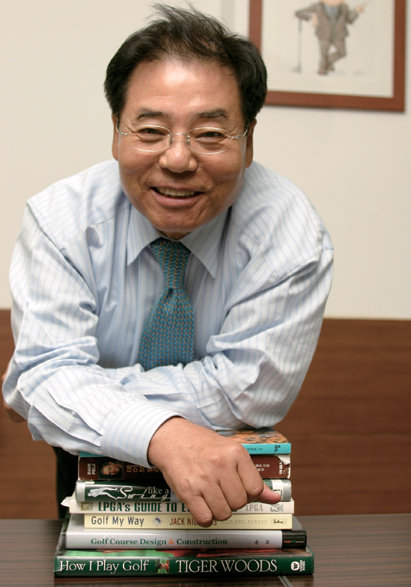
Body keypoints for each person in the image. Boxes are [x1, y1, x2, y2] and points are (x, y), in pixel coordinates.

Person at [2, 5, 333, 524]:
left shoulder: (289, 231)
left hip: (230, 479)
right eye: (152, 130)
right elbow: (45, 380)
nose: (178, 159)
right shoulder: (60, 221)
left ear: (248, 140)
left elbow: (248, 395)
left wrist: (72, 389)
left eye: (210, 134)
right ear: (116, 131)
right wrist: (162, 434)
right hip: (92, 468)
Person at [295, 0, 365, 75]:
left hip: (338, 34)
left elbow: (349, 19)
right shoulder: (318, 6)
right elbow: (298, 12)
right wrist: (312, 16)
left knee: (342, 52)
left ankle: (326, 64)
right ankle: (322, 68)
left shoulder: (344, 7)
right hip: (324, 34)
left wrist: (356, 12)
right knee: (324, 54)